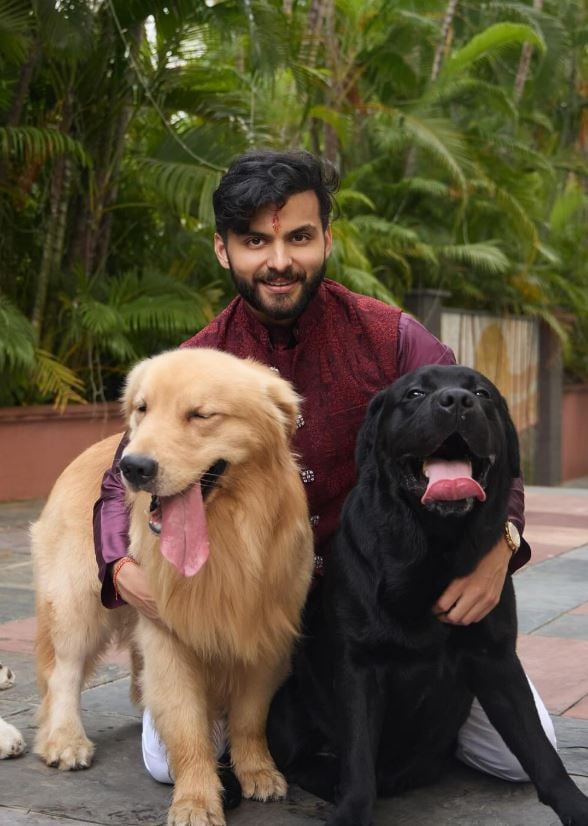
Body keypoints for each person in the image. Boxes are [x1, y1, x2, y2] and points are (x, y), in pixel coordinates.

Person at [93, 149, 555, 789]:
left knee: (516, 758)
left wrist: (500, 549)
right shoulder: (197, 360)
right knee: (168, 764)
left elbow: (491, 443)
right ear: (224, 250)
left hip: (381, 600)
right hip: (245, 610)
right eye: (255, 240)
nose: (279, 261)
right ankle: (313, 718)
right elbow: (120, 478)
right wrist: (118, 564)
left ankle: (394, 722)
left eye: (299, 237)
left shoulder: (392, 338)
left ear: (326, 239)